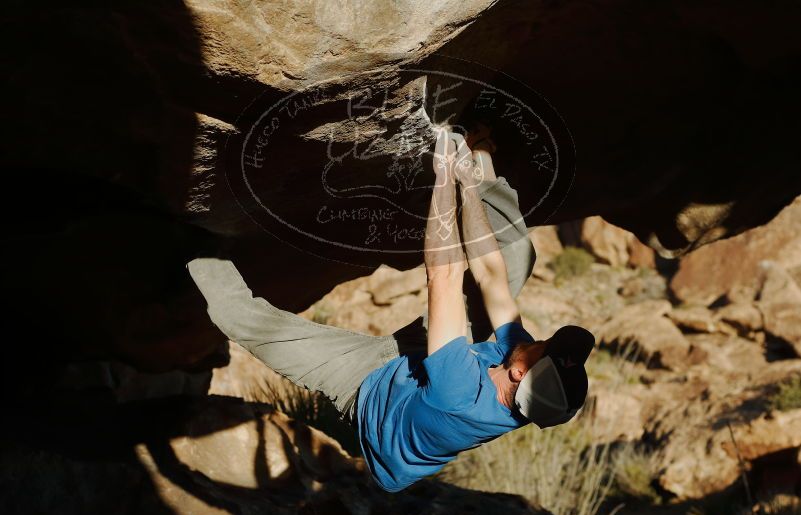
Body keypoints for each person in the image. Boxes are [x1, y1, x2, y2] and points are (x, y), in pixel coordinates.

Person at [187, 127, 595, 493]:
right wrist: (470, 181)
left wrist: (443, 174)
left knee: (247, 322)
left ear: (520, 372)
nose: (539, 338)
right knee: (516, 257)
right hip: (424, 360)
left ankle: (190, 238)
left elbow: (445, 274)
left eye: (543, 345)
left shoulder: (459, 395)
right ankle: (480, 145)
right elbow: (489, 274)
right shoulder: (526, 387)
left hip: (362, 384)